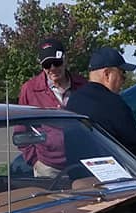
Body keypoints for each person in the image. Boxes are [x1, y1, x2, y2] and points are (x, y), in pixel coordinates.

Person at [18, 38, 88, 177]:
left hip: (82, 164)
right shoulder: (30, 89)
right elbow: (21, 130)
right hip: (48, 167)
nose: (53, 68)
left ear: (65, 59)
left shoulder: (83, 86)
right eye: (47, 65)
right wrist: (34, 161)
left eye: (56, 63)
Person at [65, 47, 136, 161]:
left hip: (79, 174)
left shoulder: (73, 100)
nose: (124, 80)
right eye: (122, 74)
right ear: (107, 74)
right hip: (113, 174)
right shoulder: (115, 104)